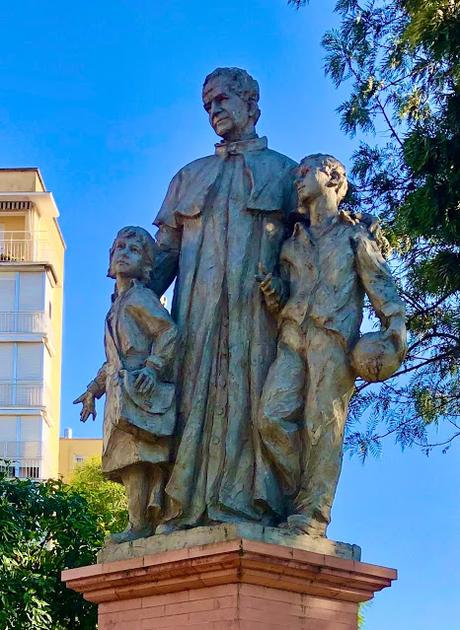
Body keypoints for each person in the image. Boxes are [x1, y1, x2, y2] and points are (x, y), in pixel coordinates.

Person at [151, 67, 297, 529]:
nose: (214, 110)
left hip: (260, 318)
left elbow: (309, 252)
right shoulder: (188, 177)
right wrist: (130, 301)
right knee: (191, 403)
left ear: (251, 103)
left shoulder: (287, 172)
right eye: (207, 104)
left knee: (255, 405)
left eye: (222, 100)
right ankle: (182, 507)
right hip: (195, 319)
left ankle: (256, 505)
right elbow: (164, 255)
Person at [257, 154, 407, 536]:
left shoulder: (355, 235)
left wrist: (395, 327)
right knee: (271, 417)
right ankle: (296, 497)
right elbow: (285, 295)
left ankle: (313, 515)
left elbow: (381, 285)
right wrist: (275, 296)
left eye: (308, 171)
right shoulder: (292, 242)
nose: (299, 179)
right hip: (292, 335)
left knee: (322, 426)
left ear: (334, 178)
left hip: (333, 340)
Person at [74, 226, 177, 542]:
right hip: (121, 395)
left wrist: (153, 367)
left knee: (141, 458)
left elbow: (168, 332)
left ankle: (141, 524)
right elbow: (112, 360)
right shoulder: (115, 305)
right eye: (119, 247)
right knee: (129, 461)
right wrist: (94, 389)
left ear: (147, 264)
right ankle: (138, 523)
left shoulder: (140, 298)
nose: (123, 253)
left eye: (133, 249)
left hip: (140, 392)